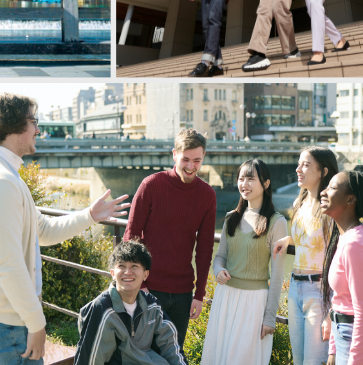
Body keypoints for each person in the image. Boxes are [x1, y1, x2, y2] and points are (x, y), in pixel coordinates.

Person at [0, 93, 129, 365]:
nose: (39, 130)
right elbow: (8, 264)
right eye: (33, 122)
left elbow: (44, 231)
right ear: (12, 125)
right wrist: (37, 323)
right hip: (2, 319)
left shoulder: (1, 171)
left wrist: (90, 215)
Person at [123, 128, 216, 357]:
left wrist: (199, 295)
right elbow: (131, 236)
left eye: (197, 160)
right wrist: (137, 284)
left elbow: (204, 250)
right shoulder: (151, 185)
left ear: (203, 158)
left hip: (183, 293)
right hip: (148, 287)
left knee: (173, 354)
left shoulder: (207, 195)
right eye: (185, 159)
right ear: (174, 154)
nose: (191, 166)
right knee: (141, 354)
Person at [202, 159, 287, 365]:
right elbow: (220, 256)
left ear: (266, 184)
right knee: (218, 355)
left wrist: (269, 317)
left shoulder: (277, 222)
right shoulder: (232, 217)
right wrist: (219, 270)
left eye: (251, 179)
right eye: (241, 179)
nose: (244, 184)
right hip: (225, 297)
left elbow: (277, 275)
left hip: (254, 302)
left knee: (241, 358)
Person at [272, 148, 339, 365]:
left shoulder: (330, 208)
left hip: (319, 292)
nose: (298, 169)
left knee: (313, 362)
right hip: (295, 288)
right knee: (299, 361)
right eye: (299, 164)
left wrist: (332, 310)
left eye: (306, 165)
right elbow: (309, 238)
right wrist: (289, 239)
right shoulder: (299, 204)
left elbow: (339, 258)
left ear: (323, 171)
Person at [74, 239, 186, 365]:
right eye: (121, 266)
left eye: (134, 266)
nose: (128, 272)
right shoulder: (102, 308)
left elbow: (171, 346)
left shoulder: (152, 305)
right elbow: (90, 359)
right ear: (112, 273)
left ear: (145, 274)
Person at [320, 171, 363, 365]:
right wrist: (333, 350)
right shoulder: (345, 237)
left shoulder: (355, 244)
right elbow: (340, 300)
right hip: (345, 331)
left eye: (332, 188)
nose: (323, 192)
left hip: (358, 336)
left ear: (350, 199)